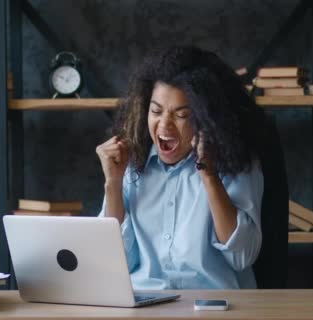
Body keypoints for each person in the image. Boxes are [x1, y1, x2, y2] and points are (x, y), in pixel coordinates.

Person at [96, 46, 266, 289]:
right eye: (156, 111)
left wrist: (209, 175)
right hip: (143, 306)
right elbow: (112, 262)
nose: (164, 125)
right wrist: (112, 183)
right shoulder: (130, 165)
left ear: (206, 117)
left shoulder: (236, 163)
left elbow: (242, 257)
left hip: (211, 306)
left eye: (182, 115)